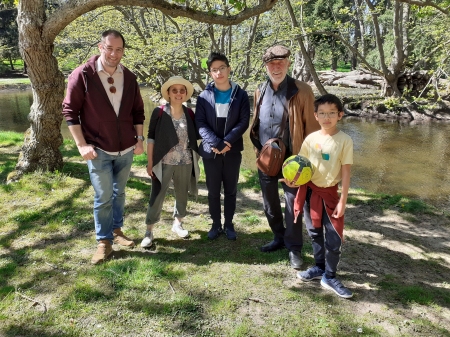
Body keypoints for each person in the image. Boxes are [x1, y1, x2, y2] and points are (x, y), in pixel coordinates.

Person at [62, 30, 145, 264]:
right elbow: (70, 112)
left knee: (119, 194)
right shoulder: (83, 75)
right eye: (109, 48)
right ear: (100, 47)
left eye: (119, 49)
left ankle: (116, 231)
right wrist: (81, 145)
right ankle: (103, 242)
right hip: (98, 149)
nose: (114, 54)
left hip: (126, 149)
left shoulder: (129, 77)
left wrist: (139, 139)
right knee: (103, 196)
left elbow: (138, 111)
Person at [250, 45, 320, 269]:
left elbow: (312, 128)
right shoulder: (259, 90)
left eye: (280, 62)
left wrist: (309, 162)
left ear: (288, 63)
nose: (276, 67)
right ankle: (278, 238)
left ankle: (294, 248)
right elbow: (257, 124)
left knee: (294, 207)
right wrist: (258, 152)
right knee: (270, 205)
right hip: (266, 160)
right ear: (266, 66)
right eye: (271, 64)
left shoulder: (302, 90)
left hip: (293, 161)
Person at [294, 94, 353, 298]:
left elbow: (346, 172)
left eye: (331, 113)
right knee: (314, 232)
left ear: (340, 115)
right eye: (322, 113)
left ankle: (330, 275)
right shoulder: (311, 139)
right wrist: (292, 178)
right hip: (310, 193)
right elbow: (300, 164)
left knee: (333, 237)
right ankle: (319, 267)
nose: (326, 117)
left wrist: (343, 200)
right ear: (315, 116)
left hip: (329, 195)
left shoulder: (345, 140)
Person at [195, 52, 250, 240]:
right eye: (214, 70)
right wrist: (216, 143)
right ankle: (216, 224)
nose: (219, 73)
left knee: (231, 190)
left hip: (232, 150)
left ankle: (229, 224)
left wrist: (227, 142)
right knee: (212, 190)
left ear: (229, 68)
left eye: (222, 68)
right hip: (211, 151)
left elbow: (243, 121)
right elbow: (200, 123)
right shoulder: (203, 96)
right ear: (210, 73)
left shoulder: (240, 95)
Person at [141, 76, 200, 248]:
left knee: (182, 193)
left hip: (185, 161)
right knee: (157, 195)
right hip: (163, 161)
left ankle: (178, 223)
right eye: (174, 90)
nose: (178, 93)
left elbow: (196, 135)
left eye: (182, 90)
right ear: (168, 93)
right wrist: (150, 162)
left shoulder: (189, 113)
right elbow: (151, 138)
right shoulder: (159, 112)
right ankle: (149, 231)